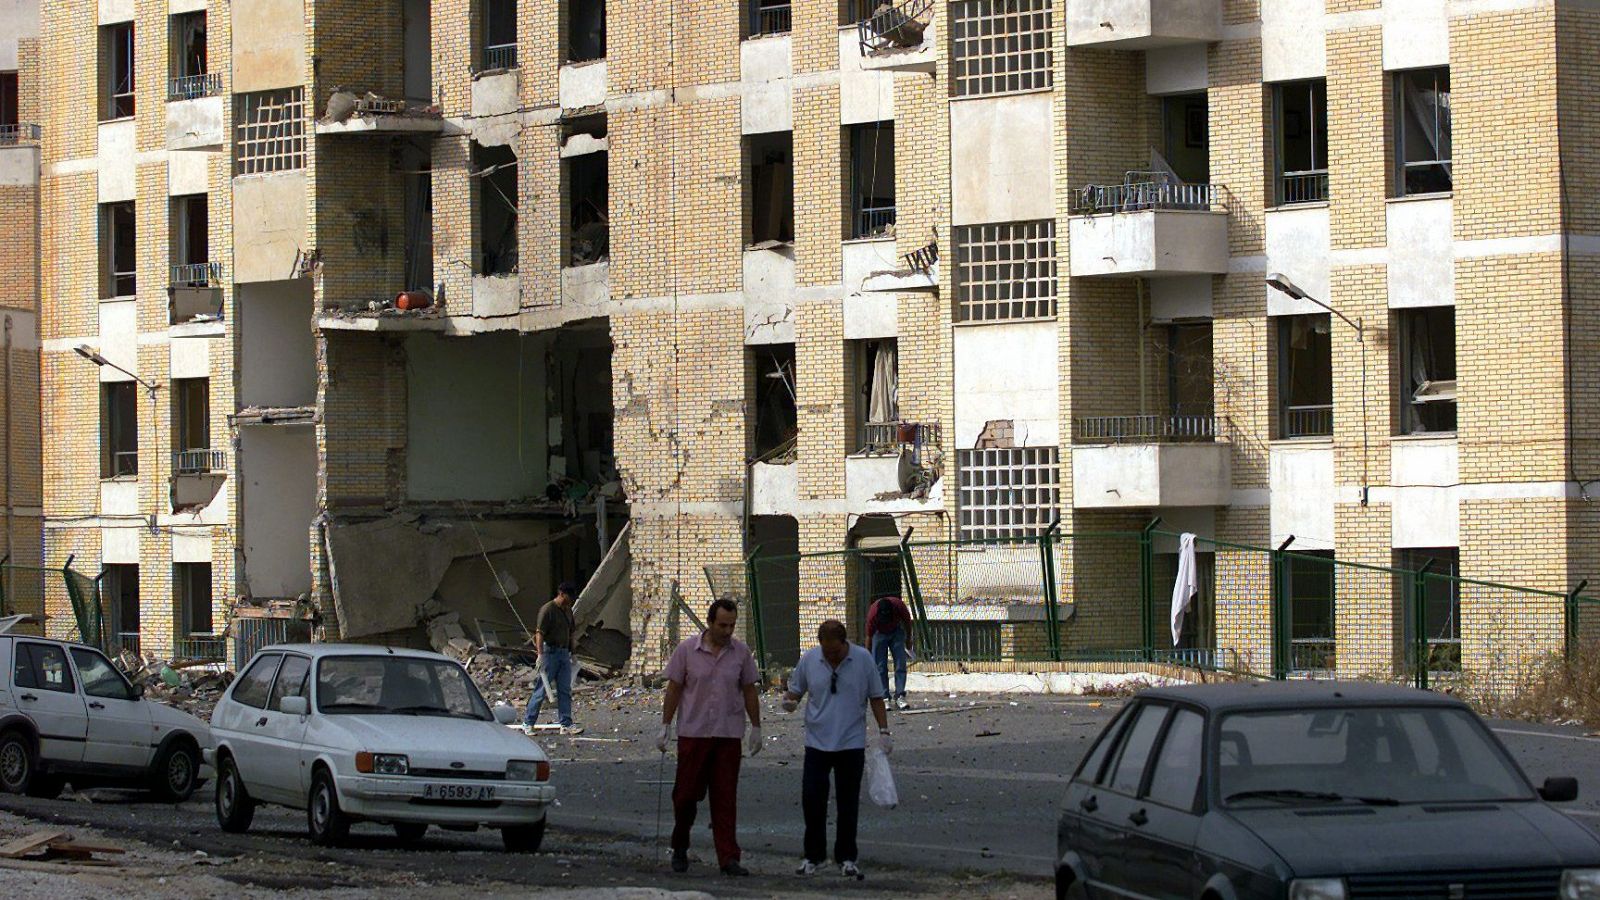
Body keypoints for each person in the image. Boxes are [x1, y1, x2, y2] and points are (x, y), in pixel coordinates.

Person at [657, 598, 763, 876]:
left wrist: (756, 726)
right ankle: (680, 846)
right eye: (722, 625)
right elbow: (675, 687)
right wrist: (665, 725)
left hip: (727, 735)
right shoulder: (686, 651)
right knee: (685, 796)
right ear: (710, 622)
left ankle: (728, 857)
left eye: (731, 625)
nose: (727, 631)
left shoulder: (741, 653)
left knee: (725, 797)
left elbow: (749, 689)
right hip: (694, 734)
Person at [782, 620, 891, 878]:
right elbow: (795, 692)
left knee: (848, 802)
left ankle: (846, 857)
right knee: (812, 800)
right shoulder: (810, 659)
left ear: (845, 644)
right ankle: (814, 856)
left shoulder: (862, 660)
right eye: (826, 652)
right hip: (817, 742)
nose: (831, 656)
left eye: (835, 652)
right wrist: (789, 702)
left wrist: (884, 732)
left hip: (850, 742)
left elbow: (876, 697)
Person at [522, 581, 584, 736]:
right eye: (568, 597)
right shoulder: (548, 609)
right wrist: (540, 655)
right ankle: (528, 723)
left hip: (564, 653)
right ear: (561, 594)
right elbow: (539, 633)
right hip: (550, 653)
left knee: (565, 690)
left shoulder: (568, 611)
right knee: (542, 689)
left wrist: (573, 652)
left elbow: (571, 633)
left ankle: (566, 724)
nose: (570, 600)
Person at [866, 594, 914, 710]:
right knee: (880, 667)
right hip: (879, 634)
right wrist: (867, 655)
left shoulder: (899, 606)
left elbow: (907, 623)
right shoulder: (873, 613)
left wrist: (908, 639)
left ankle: (900, 696)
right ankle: (884, 698)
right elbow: (868, 636)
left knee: (900, 663)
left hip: (896, 632)